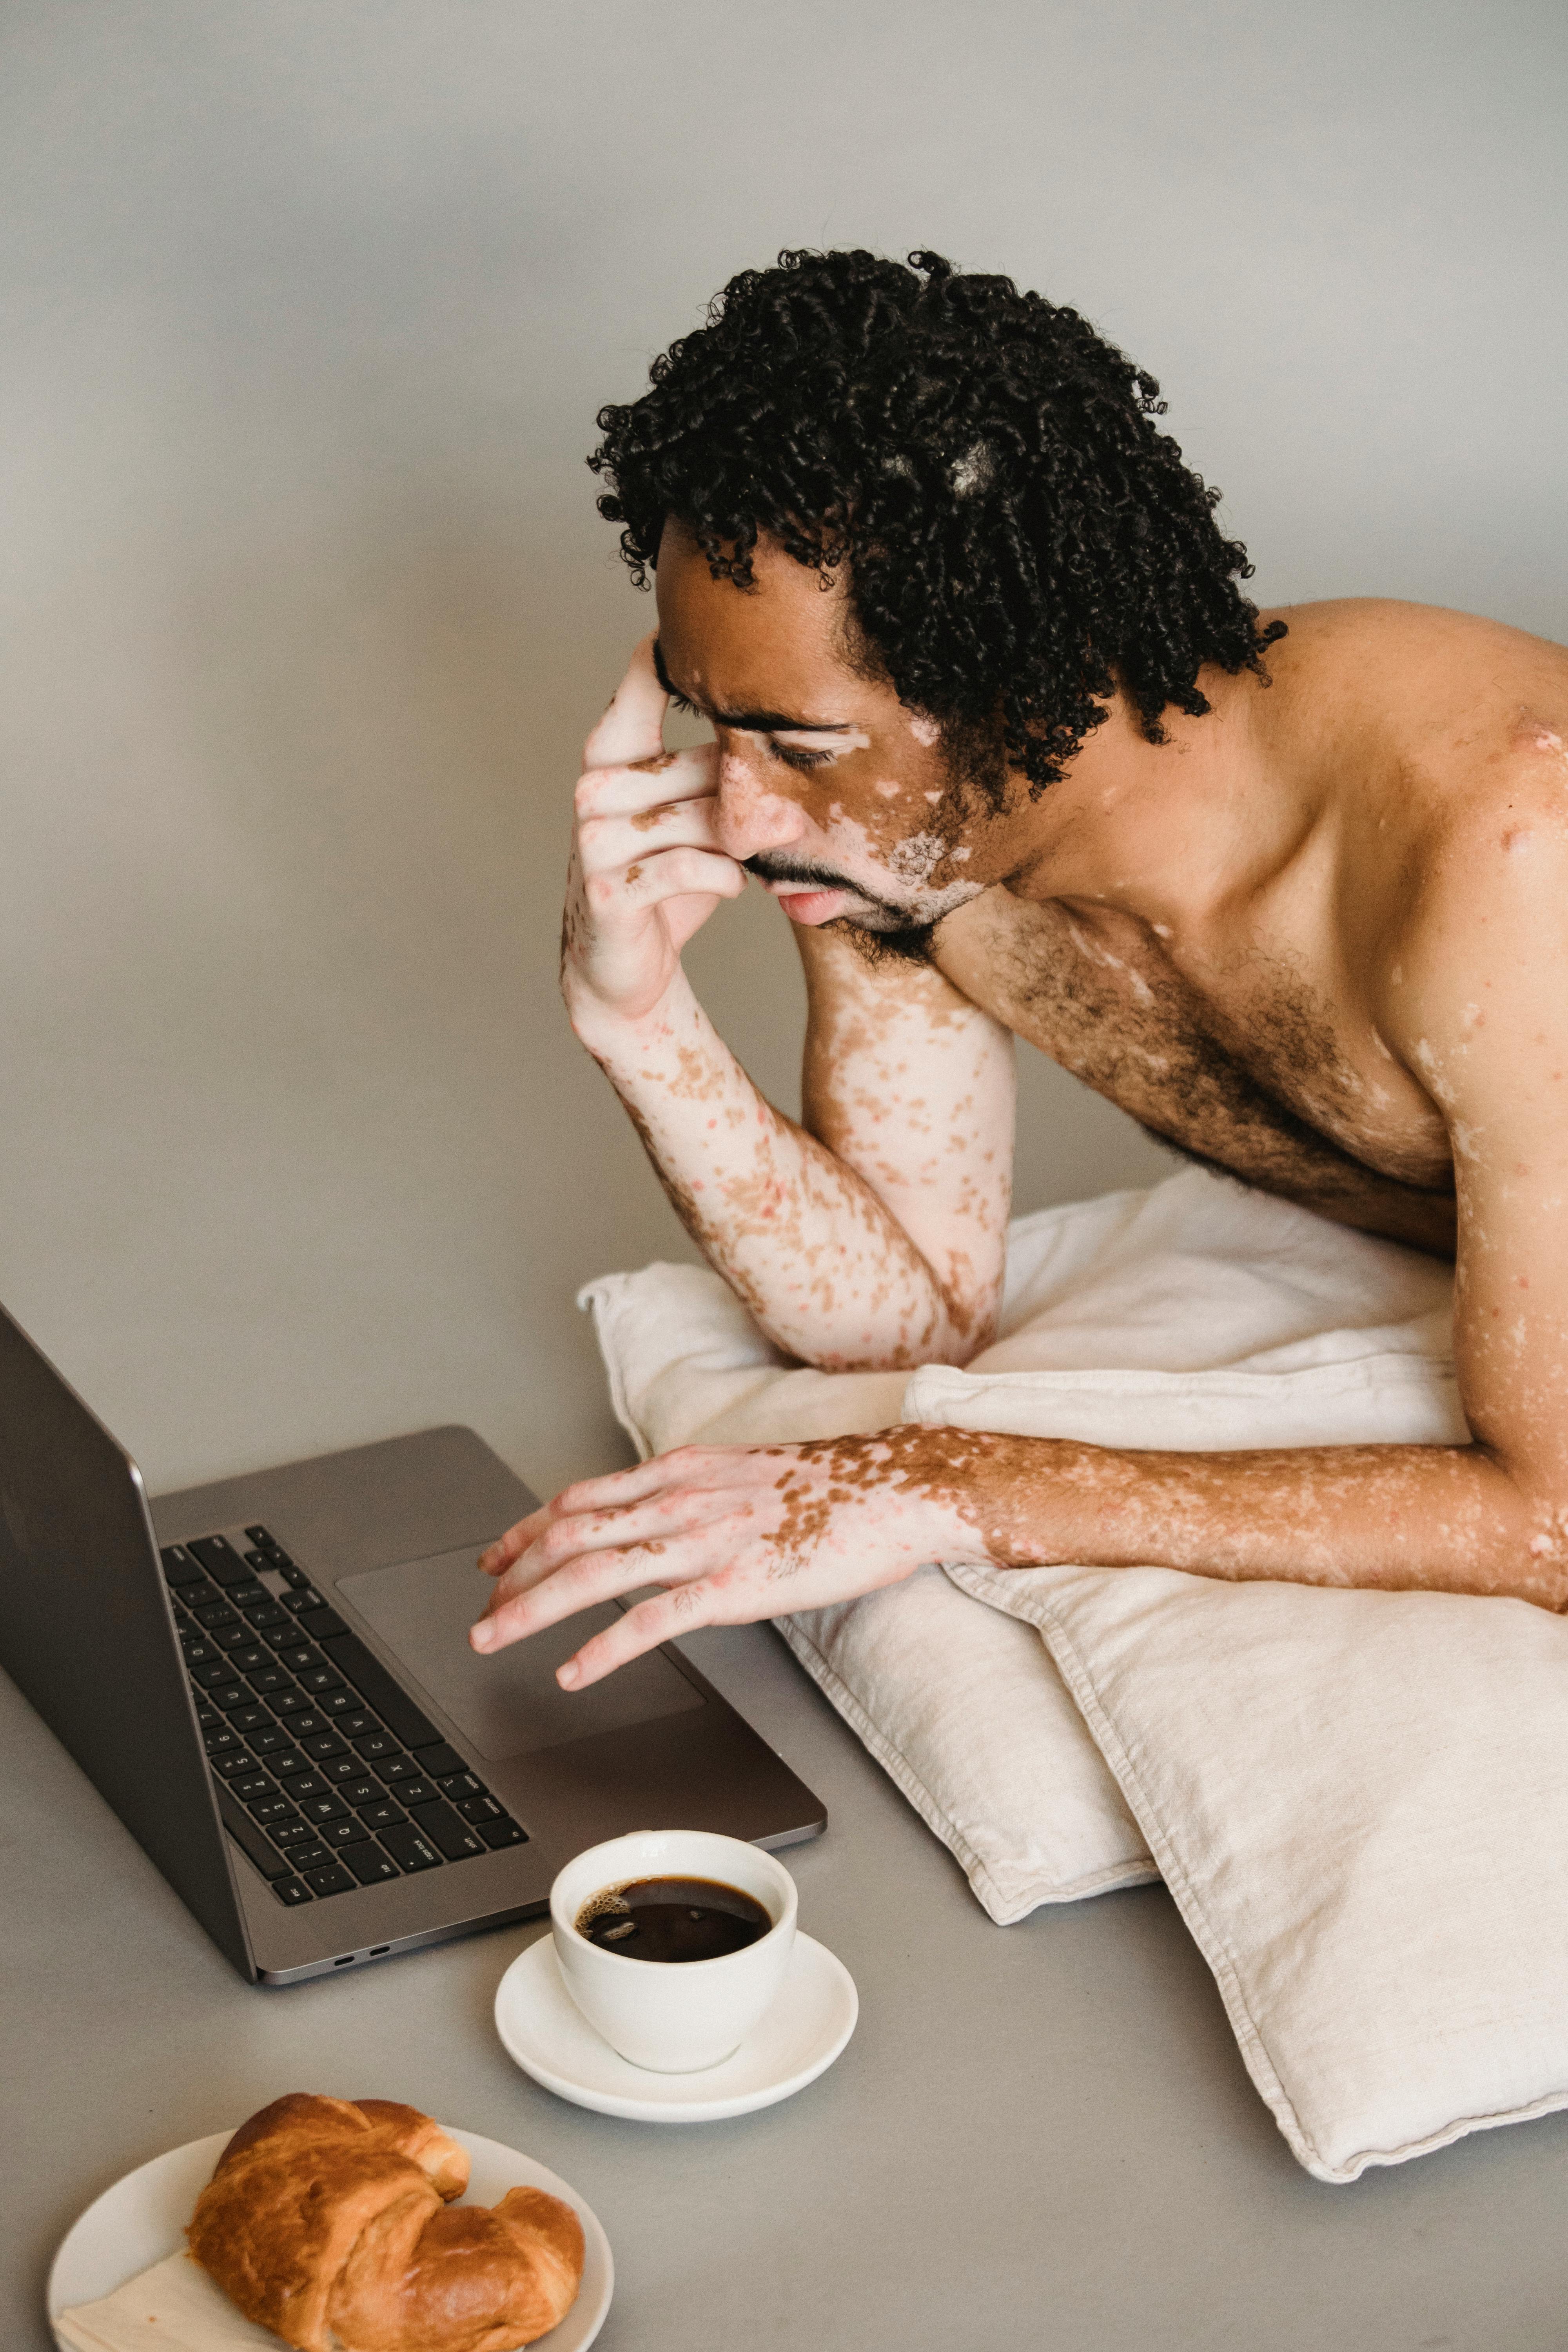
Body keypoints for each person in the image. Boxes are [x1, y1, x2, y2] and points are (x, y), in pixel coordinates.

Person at [470, 247, 1568, 1689]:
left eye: (797, 746)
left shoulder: (1504, 854)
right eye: (708, 730)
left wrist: (938, 1487)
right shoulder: (928, 855)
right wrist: (636, 1023)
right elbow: (914, 1311)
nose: (737, 822)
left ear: (1033, 682)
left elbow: (1552, 1522)